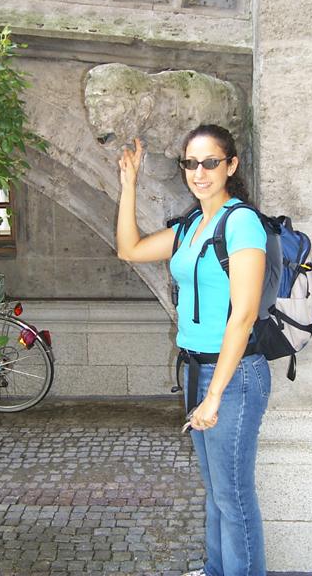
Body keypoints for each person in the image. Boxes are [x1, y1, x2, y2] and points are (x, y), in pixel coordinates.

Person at [117, 124, 271, 576]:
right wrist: (129, 185)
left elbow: (241, 316)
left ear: (231, 165)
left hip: (234, 375)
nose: (199, 173)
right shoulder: (190, 225)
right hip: (194, 370)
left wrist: (215, 395)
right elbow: (130, 250)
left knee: (234, 495)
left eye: (210, 163)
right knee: (216, 490)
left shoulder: (241, 222)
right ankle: (216, 570)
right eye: (190, 163)